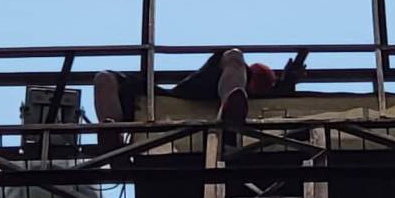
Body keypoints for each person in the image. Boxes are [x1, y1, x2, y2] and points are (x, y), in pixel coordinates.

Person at [93, 48, 302, 147]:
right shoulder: (222, 70)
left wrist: (287, 85)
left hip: (211, 105)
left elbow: (274, 102)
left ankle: (228, 113)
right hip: (180, 97)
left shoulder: (259, 105)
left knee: (234, 57)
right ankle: (112, 135)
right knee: (104, 79)